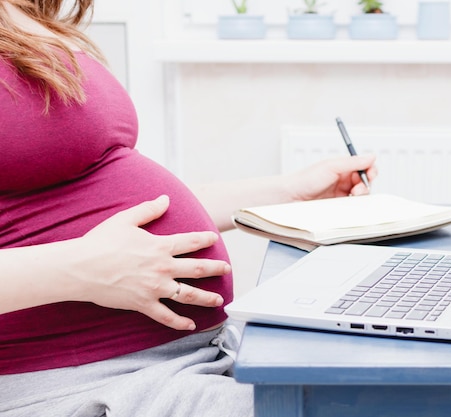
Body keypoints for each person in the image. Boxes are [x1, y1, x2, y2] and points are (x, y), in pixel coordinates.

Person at [0, 0, 377, 416]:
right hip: (80, 381)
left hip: (188, 355)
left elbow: (112, 209)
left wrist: (289, 193)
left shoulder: (21, 13)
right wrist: (82, 268)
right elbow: (93, 247)